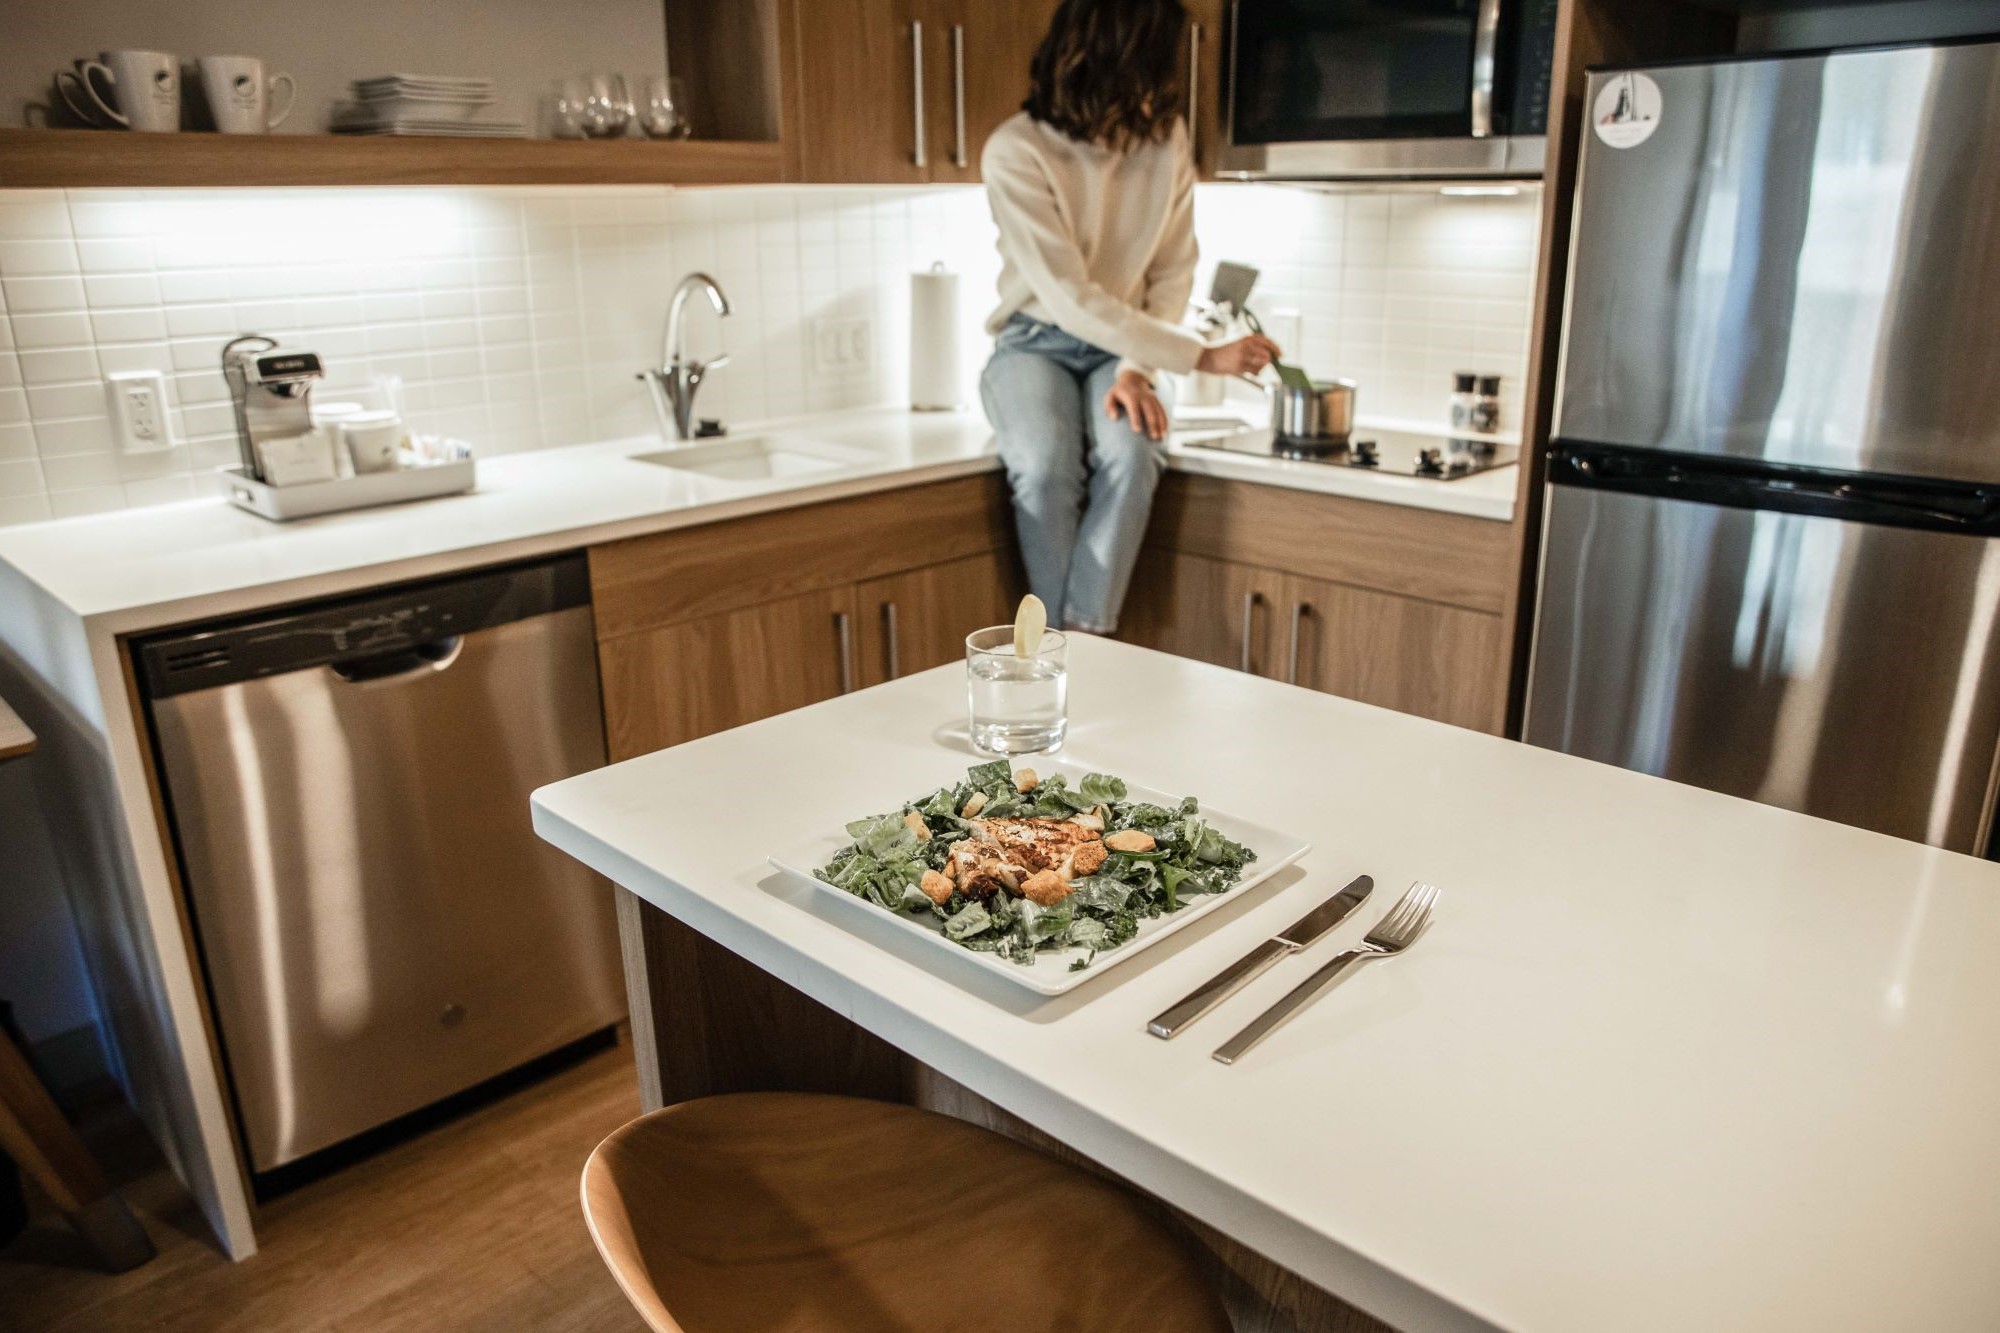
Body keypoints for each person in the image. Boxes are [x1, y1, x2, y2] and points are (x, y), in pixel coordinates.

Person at [980, 0, 1281, 634]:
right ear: (1104, 61)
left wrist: (1139, 368)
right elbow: (1068, 297)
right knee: (1042, 466)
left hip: (1131, 349)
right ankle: (1060, 652)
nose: (1164, 85)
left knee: (1134, 448)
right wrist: (1201, 355)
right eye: (1153, 65)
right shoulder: (1016, 151)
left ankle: (1077, 644)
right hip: (1036, 341)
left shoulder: (1164, 142)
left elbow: (1172, 271)